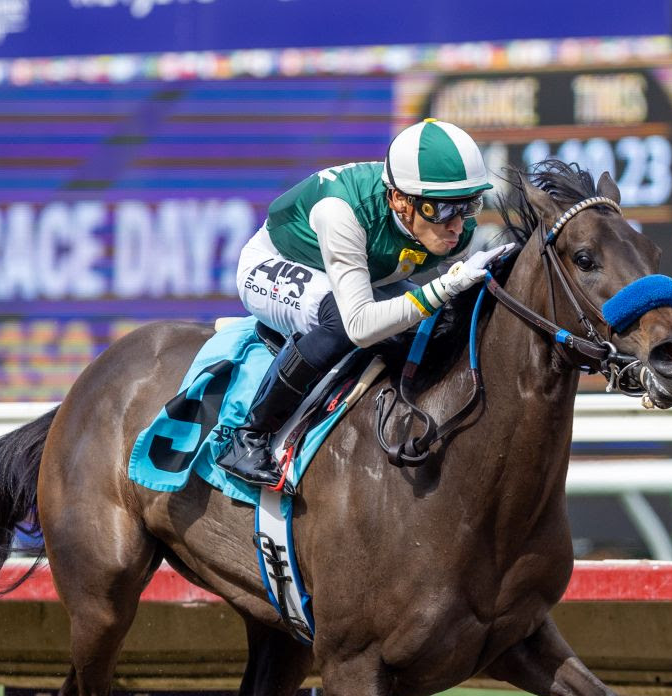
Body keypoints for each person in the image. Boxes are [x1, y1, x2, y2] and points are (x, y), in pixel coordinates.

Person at [217, 118, 515, 489]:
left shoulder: (453, 225)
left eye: (469, 205)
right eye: (441, 210)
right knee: (342, 324)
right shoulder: (340, 213)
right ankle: (249, 436)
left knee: (436, 324)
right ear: (399, 200)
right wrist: (447, 285)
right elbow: (360, 326)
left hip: (361, 272)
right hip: (274, 263)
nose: (457, 225)